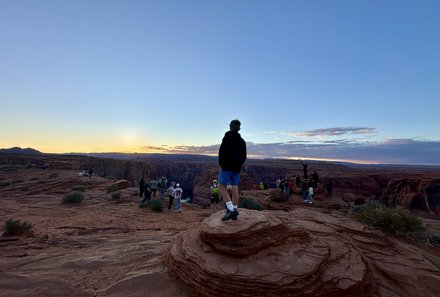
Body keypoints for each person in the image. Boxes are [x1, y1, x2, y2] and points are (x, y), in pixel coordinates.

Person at [218, 119, 247, 221]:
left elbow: (222, 152)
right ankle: (235, 210)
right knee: (235, 188)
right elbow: (244, 156)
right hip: (237, 168)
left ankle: (230, 209)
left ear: (230, 126)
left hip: (226, 168)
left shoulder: (227, 137)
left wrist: (222, 164)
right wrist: (238, 165)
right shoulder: (242, 141)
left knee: (221, 187)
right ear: (239, 128)